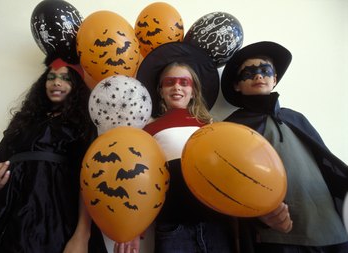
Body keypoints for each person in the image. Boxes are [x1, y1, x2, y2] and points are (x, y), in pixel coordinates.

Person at [220, 41, 348, 253]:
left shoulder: (296, 119)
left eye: (264, 70)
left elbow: (327, 165)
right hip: (278, 235)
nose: (258, 76)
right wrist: (256, 214)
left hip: (328, 225)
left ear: (275, 79)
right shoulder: (231, 128)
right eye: (248, 73)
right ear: (237, 85)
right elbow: (229, 183)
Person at [0, 55, 107, 253]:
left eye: (65, 78)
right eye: (51, 77)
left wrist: (82, 235)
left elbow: (88, 181)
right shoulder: (23, 121)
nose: (56, 82)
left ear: (77, 86)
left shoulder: (83, 124)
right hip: (8, 212)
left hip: (55, 216)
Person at [114, 42, 236, 253]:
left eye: (184, 82)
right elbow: (139, 181)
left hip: (216, 223)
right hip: (172, 225)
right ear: (160, 91)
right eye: (169, 82)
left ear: (193, 91)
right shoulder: (148, 130)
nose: (177, 87)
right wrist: (134, 229)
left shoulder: (212, 127)